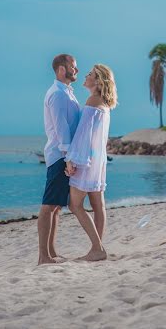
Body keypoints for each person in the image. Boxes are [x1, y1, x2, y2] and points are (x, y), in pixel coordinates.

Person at [65, 63, 117, 262]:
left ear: (98, 80)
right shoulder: (104, 102)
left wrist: (71, 159)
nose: (85, 76)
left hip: (87, 160)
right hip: (98, 160)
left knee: (75, 205)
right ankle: (98, 247)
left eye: (90, 74)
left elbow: (83, 136)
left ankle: (97, 248)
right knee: (98, 204)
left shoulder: (92, 101)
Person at [37, 54, 80, 265]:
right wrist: (68, 158)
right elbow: (61, 129)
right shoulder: (57, 94)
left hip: (65, 156)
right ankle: (43, 256)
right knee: (48, 206)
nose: (77, 71)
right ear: (62, 69)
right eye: (74, 67)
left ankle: (52, 252)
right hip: (59, 156)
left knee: (56, 207)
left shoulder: (67, 92)